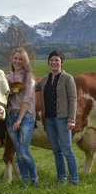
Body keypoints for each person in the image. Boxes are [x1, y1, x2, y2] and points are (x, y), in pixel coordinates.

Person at [36, 50, 79, 186]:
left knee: (67, 150)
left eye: (57, 60)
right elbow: (32, 87)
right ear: (48, 62)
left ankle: (74, 180)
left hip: (63, 119)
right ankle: (61, 178)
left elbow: (73, 100)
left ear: (62, 62)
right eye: (51, 60)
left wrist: (71, 120)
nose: (54, 62)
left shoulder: (68, 78)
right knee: (56, 151)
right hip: (49, 120)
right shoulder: (45, 79)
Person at [5, 48, 39, 186]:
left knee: (24, 150)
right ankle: (25, 180)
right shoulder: (8, 78)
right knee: (18, 151)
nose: (17, 61)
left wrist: (19, 119)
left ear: (25, 61)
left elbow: (27, 99)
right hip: (9, 116)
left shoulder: (29, 77)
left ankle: (35, 178)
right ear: (12, 60)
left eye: (20, 59)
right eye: (15, 58)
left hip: (25, 116)